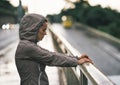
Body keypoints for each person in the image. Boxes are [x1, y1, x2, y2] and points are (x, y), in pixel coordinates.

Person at [15, 13, 92, 85]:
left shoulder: (28, 45)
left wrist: (76, 58)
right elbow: (52, 58)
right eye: (43, 30)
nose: (45, 33)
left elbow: (50, 54)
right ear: (33, 29)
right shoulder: (27, 47)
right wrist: (76, 61)